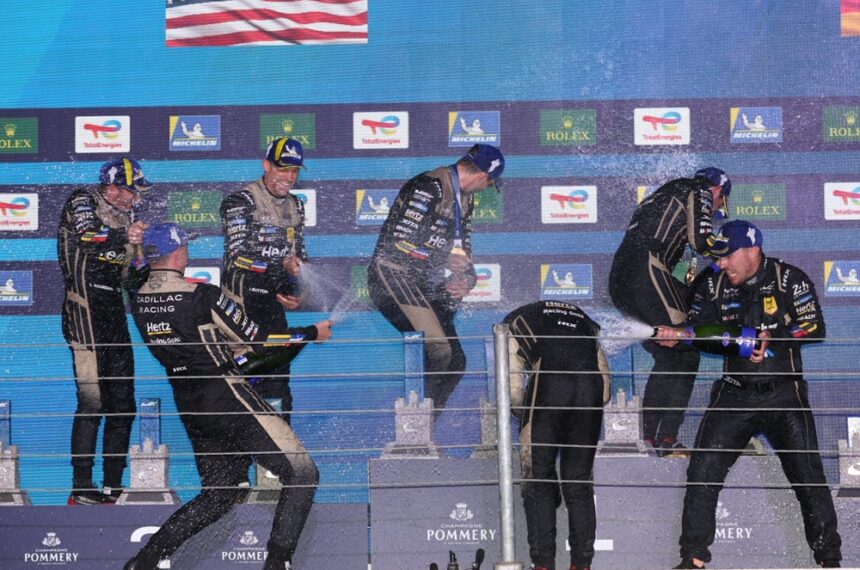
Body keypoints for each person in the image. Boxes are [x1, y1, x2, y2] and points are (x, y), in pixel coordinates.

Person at [125, 223, 331, 570]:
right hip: (228, 397)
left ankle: (144, 562)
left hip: (190, 406)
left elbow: (137, 279)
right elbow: (260, 341)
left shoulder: (138, 297)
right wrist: (312, 332)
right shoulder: (202, 295)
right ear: (178, 253)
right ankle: (277, 563)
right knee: (303, 473)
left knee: (220, 494)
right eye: (186, 246)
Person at [653, 220, 842, 569]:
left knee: (809, 478)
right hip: (734, 395)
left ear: (753, 250)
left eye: (728, 256)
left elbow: (814, 326)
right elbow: (700, 331)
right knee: (702, 472)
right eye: (718, 258)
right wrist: (680, 336)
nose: (722, 263)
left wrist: (775, 336)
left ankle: (829, 561)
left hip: (784, 395)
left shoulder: (790, 278)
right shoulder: (712, 282)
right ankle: (693, 559)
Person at [368, 143, 504, 414]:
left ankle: (425, 426)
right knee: (441, 351)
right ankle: (415, 426)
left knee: (456, 362)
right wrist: (443, 260)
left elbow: (464, 254)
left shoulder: (466, 199)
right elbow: (398, 244)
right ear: (483, 175)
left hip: (424, 283)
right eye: (490, 183)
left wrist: (465, 279)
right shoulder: (428, 186)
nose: (486, 189)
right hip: (392, 275)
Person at [608, 167, 731, 457]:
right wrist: (732, 248)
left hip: (621, 279)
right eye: (719, 203)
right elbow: (703, 241)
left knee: (669, 355)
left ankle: (650, 437)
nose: (715, 210)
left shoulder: (663, 195)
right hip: (645, 270)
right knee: (685, 353)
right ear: (717, 190)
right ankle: (665, 438)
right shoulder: (699, 189)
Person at [57, 157, 151, 505]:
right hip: (83, 310)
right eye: (130, 191)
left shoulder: (127, 219)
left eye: (137, 192)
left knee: (123, 405)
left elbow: (130, 281)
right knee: (92, 401)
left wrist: (142, 258)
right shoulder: (83, 200)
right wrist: (124, 236)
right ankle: (81, 486)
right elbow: (86, 238)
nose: (134, 198)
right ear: (112, 187)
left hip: (113, 314)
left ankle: (113, 487)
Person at [502, 301, 610, 570]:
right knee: (578, 483)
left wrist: (523, 416)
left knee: (537, 480)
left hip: (550, 385)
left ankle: (543, 564)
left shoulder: (512, 322)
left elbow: (513, 387)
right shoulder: (585, 320)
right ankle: (582, 565)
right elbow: (606, 388)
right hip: (590, 389)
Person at [220, 136, 309, 421]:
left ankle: (279, 449)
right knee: (242, 385)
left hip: (272, 308)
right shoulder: (240, 201)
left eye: (294, 171)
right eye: (283, 169)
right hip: (240, 308)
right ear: (266, 165)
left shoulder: (296, 205)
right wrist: (280, 265)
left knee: (278, 386)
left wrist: (299, 290)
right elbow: (238, 257)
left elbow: (300, 256)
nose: (289, 177)